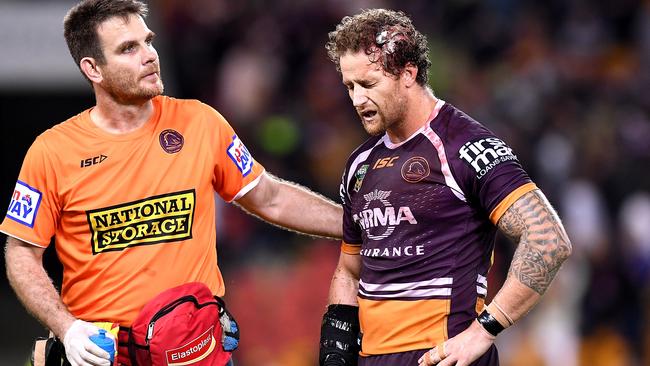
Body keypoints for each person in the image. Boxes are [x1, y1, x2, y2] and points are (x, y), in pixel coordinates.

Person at [1, 1, 342, 366]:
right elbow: (21, 251)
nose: (149, 55)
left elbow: (270, 197)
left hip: (197, 352)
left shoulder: (199, 122)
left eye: (148, 41)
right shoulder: (52, 151)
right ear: (93, 69)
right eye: (128, 49)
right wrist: (66, 328)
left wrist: (356, 224)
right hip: (105, 355)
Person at [318, 8, 572, 366]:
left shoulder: (463, 145)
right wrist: (336, 341)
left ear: (408, 73)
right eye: (350, 86)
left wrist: (484, 331)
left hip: (444, 356)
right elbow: (349, 269)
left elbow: (548, 240)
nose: (357, 99)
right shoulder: (359, 164)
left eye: (369, 84)